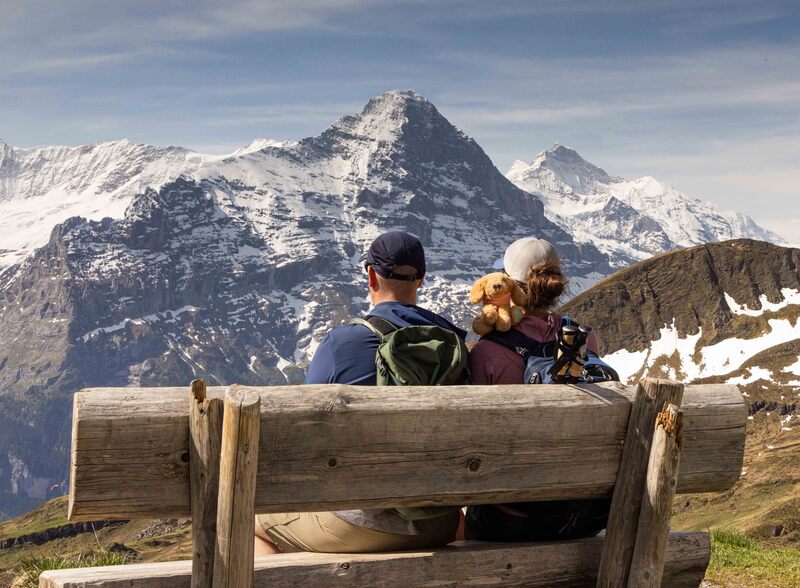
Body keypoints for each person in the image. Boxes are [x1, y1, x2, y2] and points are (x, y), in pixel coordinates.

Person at [254, 230, 465, 554]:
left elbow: (302, 431)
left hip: (361, 522)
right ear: (421, 279)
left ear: (371, 276)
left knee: (249, 521)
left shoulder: (342, 343)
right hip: (441, 523)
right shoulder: (454, 347)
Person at [465, 236, 611, 542]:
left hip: (512, 517)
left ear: (507, 285)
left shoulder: (487, 353)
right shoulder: (584, 340)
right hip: (582, 514)